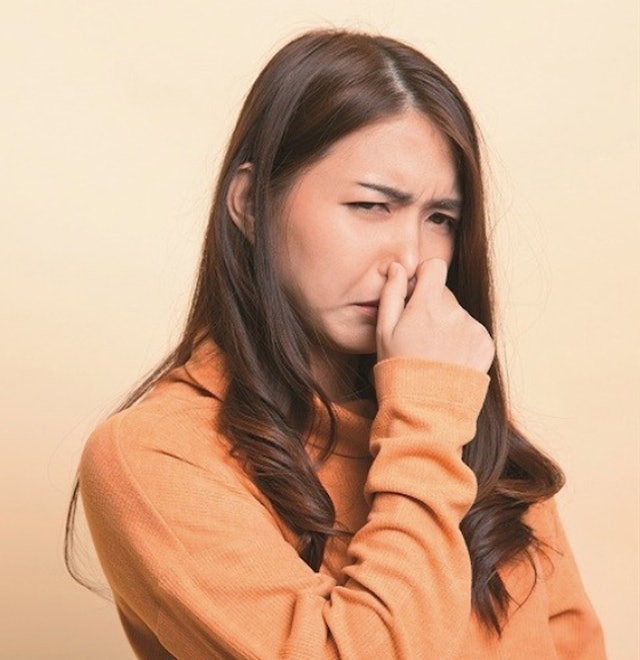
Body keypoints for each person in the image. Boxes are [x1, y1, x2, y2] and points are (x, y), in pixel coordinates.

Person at [66, 29, 606, 658]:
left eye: (441, 220)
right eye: (372, 205)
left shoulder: (454, 413)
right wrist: (428, 422)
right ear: (248, 203)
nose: (409, 258)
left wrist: (433, 411)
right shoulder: (156, 455)